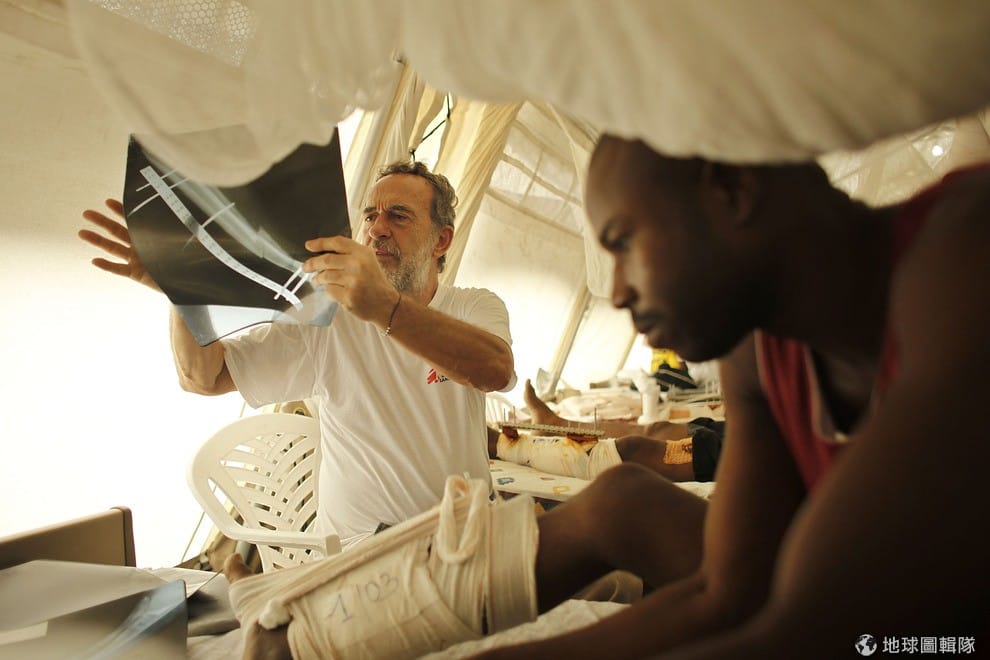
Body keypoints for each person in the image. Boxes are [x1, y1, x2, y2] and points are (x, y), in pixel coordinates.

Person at [222, 133, 988, 659]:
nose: (616, 291)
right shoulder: (760, 351)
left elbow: (806, 625)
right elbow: (729, 590)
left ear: (731, 192)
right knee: (626, 497)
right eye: (372, 214)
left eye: (621, 240)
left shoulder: (961, 253)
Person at [79, 160, 517, 551]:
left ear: (441, 240)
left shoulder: (473, 306)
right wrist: (183, 289)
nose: (377, 229)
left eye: (398, 216)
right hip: (361, 555)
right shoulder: (329, 320)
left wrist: (384, 307)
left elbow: (493, 370)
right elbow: (204, 378)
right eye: (370, 215)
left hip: (464, 541)